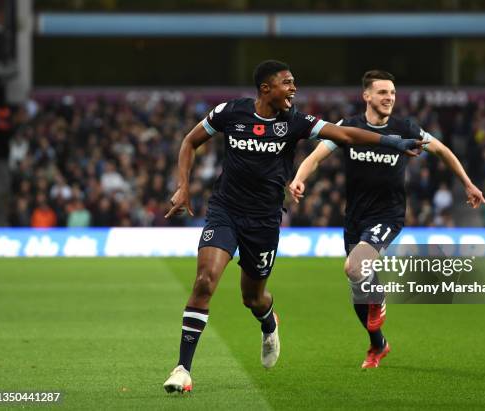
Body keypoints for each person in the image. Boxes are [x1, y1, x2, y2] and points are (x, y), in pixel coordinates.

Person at [162, 61, 423, 393]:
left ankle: (268, 321)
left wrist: (392, 143)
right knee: (204, 281)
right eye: (287, 83)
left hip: (265, 221)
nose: (294, 89)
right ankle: (183, 367)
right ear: (265, 89)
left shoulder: (295, 121)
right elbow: (189, 142)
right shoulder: (230, 112)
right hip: (225, 211)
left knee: (252, 297)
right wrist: (183, 187)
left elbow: (343, 134)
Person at [289, 70, 485, 369]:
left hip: (388, 215)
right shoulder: (349, 127)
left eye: (392, 93)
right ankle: (378, 344)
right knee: (357, 286)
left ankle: (379, 298)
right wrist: (298, 179)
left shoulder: (405, 127)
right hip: (355, 217)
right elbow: (316, 156)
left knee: (354, 268)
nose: (389, 98)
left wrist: (468, 183)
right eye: (382, 92)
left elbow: (442, 150)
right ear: (366, 96)